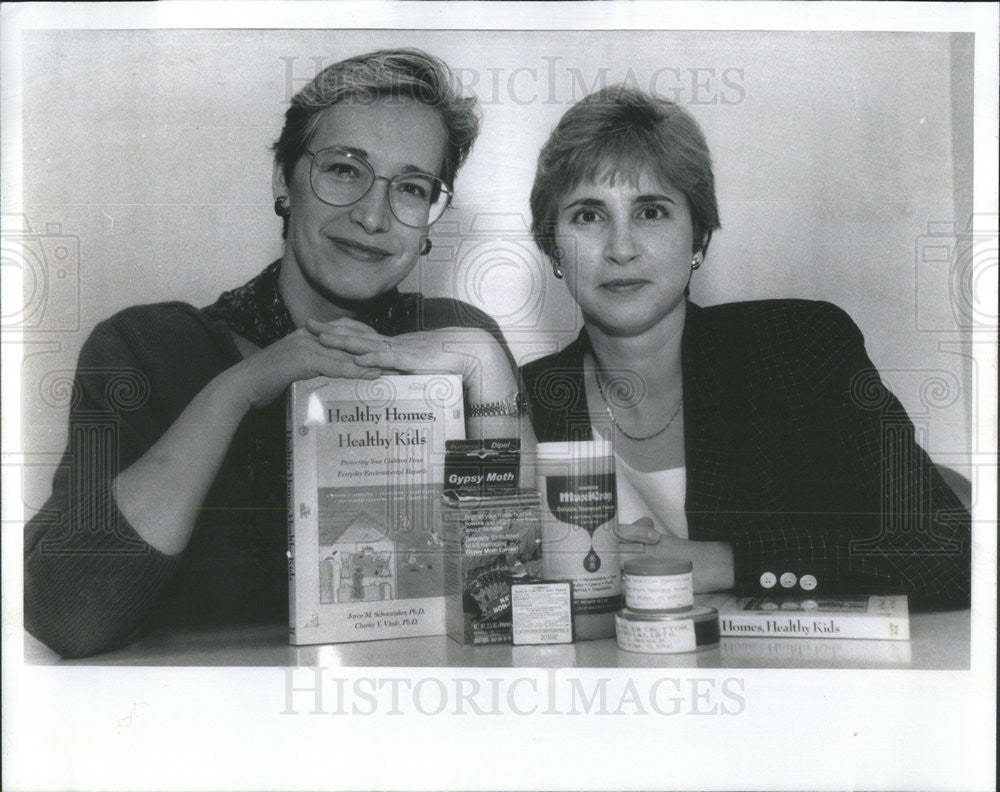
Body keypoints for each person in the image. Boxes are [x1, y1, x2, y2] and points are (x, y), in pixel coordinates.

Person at [25, 49, 522, 658]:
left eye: (412, 188)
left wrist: (487, 364)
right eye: (344, 170)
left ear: (429, 221)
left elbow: (510, 603)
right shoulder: (147, 349)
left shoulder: (458, 344)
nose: (372, 216)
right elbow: (66, 617)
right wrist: (237, 391)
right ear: (283, 181)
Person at [520, 85, 971, 609]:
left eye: (652, 212)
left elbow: (948, 553)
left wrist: (719, 561)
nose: (621, 249)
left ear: (698, 236)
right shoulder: (531, 401)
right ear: (553, 246)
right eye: (589, 216)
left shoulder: (799, 350)